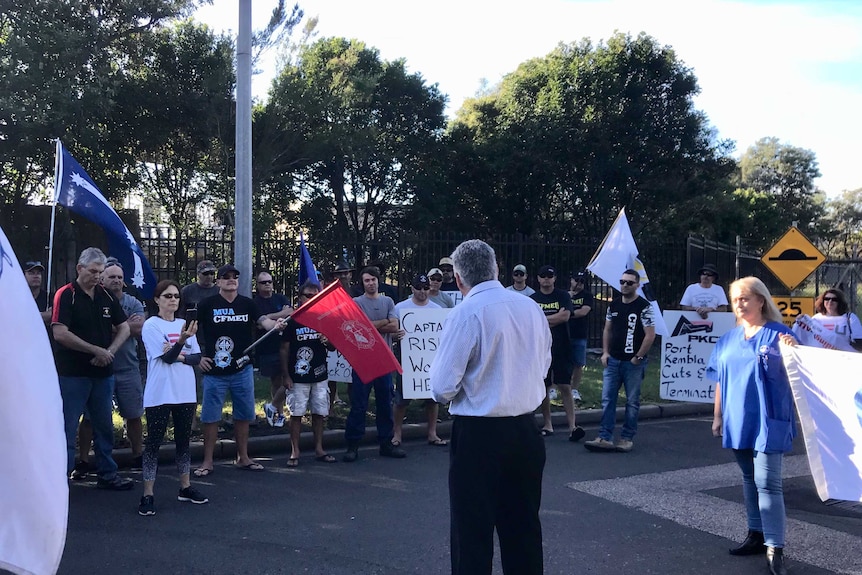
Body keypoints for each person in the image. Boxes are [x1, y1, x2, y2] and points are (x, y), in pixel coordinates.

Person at [430, 239, 551, 575]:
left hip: (480, 433)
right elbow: (542, 367)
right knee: (524, 529)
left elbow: (441, 388)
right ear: (497, 269)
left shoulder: (466, 312)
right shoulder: (530, 309)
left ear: (457, 278)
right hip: (526, 429)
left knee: (472, 533)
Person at [706, 277, 797, 575]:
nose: (740, 304)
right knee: (749, 478)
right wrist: (718, 416)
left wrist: (794, 351)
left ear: (761, 300)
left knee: (768, 483)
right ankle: (755, 535)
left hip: (769, 420)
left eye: (745, 298)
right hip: (737, 420)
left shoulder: (780, 335)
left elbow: (800, 374)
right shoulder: (728, 339)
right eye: (736, 299)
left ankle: (775, 547)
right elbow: (719, 380)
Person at [193, 264, 287, 476]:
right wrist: (198, 358)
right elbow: (189, 332)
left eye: (235, 276)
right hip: (214, 372)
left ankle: (243, 457)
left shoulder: (247, 304)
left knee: (244, 415)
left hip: (242, 369)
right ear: (218, 282)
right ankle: (207, 461)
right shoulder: (207, 304)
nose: (231, 279)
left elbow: (264, 322)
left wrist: (276, 324)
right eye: (225, 277)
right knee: (210, 417)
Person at [51, 247, 133, 490]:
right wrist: (94, 350)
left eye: (100, 272)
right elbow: (60, 333)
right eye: (93, 271)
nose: (97, 276)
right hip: (72, 374)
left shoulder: (106, 296)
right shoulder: (66, 295)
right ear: (79, 268)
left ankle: (107, 475)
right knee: (67, 427)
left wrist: (110, 351)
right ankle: (59, 481)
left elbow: (125, 327)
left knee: (104, 426)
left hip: (102, 374)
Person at [139, 280, 208, 516]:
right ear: (157, 299)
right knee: (154, 443)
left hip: (185, 392)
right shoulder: (151, 326)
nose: (173, 300)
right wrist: (181, 343)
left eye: (176, 296)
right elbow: (165, 359)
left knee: (183, 441)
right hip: (160, 393)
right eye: (167, 296)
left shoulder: (185, 324)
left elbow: (197, 357)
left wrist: (177, 351)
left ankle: (185, 487)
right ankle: (148, 493)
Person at [584, 269, 655, 453]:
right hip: (613, 359)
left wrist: (638, 357)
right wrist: (605, 352)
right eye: (622, 281)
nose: (625, 285)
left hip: (633, 362)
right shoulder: (613, 305)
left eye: (630, 282)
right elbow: (607, 329)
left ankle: (626, 438)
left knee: (632, 401)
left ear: (637, 286)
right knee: (608, 399)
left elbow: (650, 335)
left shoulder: (644, 306)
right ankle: (604, 436)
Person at [343, 266, 406, 462]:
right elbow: (357, 327)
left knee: (385, 404)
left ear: (379, 281)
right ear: (362, 283)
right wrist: (382, 322)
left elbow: (394, 326)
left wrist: (369, 324)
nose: (370, 283)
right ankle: (352, 445)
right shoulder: (356, 302)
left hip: (383, 361)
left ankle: (386, 443)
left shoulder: (388, 301)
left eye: (373, 280)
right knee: (359, 405)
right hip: (362, 362)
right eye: (366, 280)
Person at [279, 280, 337, 466]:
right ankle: (295, 450)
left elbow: (333, 347)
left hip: (319, 375)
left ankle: (319, 448)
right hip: (298, 377)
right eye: (308, 296)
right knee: (296, 413)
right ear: (300, 298)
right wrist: (286, 376)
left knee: (319, 412)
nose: (312, 300)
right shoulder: (292, 320)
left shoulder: (324, 318)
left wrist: (327, 341)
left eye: (316, 296)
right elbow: (284, 350)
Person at [393, 274, 447, 447]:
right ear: (412, 289)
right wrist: (396, 335)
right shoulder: (400, 308)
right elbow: (391, 333)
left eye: (425, 288)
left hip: (430, 363)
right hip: (407, 362)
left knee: (432, 399)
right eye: (419, 288)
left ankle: (432, 433)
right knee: (401, 400)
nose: (423, 292)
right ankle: (397, 434)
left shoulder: (437, 310)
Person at [530, 265, 583, 442]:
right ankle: (547, 424)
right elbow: (531, 323)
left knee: (565, 386)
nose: (546, 279)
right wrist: (553, 319)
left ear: (554, 278)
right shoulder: (532, 299)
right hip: (540, 348)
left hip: (562, 347)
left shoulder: (562, 296)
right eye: (543, 276)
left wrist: (542, 320)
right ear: (538, 279)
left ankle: (572, 426)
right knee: (544, 387)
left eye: (549, 276)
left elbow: (565, 317)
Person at [254, 270, 293, 427]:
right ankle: (279, 413)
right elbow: (258, 322)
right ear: (257, 285)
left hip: (285, 344)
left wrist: (268, 315)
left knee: (290, 378)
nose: (268, 284)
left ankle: (272, 407)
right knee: (276, 380)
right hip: (267, 346)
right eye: (264, 282)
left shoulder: (280, 298)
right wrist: (279, 314)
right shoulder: (255, 302)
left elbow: (290, 312)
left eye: (269, 281)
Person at [567, 270, 593, 402]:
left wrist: (568, 314)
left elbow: (584, 311)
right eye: (577, 280)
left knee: (578, 363)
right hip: (564, 333)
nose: (579, 283)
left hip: (579, 334)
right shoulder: (564, 295)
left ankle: (574, 389)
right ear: (571, 280)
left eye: (582, 281)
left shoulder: (587, 296)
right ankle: (553, 388)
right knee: (558, 361)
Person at [24, 260, 51, 325]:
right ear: (23, 276)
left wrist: (26, 316)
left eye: (38, 273)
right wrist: (43, 315)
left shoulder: (49, 297)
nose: (36, 276)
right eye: (31, 273)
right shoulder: (17, 297)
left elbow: (52, 314)